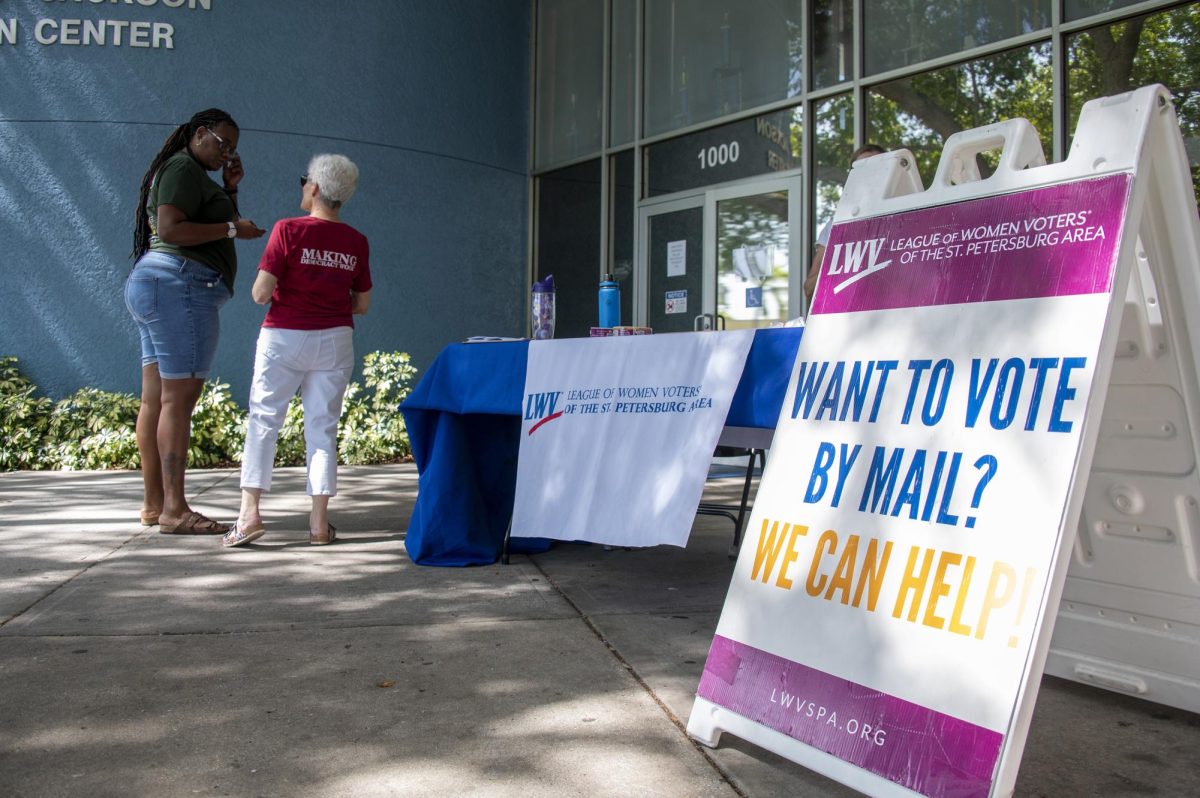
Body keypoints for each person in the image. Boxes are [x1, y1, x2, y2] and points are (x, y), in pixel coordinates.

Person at [125, 108, 265, 535]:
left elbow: (207, 222)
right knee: (177, 403)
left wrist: (229, 191)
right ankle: (175, 510)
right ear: (200, 133)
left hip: (163, 286)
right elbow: (171, 229)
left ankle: (155, 505)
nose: (228, 153)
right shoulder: (183, 166)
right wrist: (230, 229)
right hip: (181, 287)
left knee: (157, 401)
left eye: (234, 149)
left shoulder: (193, 173)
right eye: (222, 144)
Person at [223, 154, 373, 548]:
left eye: (305, 179)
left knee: (264, 421)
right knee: (322, 429)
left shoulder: (288, 230)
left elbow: (259, 293)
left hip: (285, 335)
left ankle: (249, 514)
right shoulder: (356, 241)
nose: (303, 185)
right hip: (335, 340)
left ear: (316, 188)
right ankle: (319, 525)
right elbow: (363, 303)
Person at [803, 144, 887, 308]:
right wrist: (843, 261)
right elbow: (809, 288)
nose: (869, 175)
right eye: (861, 169)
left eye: (876, 166)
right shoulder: (837, 224)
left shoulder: (909, 212)